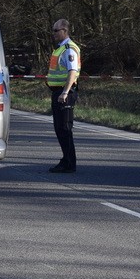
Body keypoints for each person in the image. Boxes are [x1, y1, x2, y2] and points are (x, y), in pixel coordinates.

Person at [47, 18, 80, 173]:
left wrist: (65, 92)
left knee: (65, 128)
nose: (53, 34)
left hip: (64, 93)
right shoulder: (60, 48)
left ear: (65, 31)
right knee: (59, 129)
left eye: (56, 30)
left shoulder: (68, 48)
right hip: (58, 92)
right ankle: (66, 159)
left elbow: (72, 72)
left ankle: (69, 163)